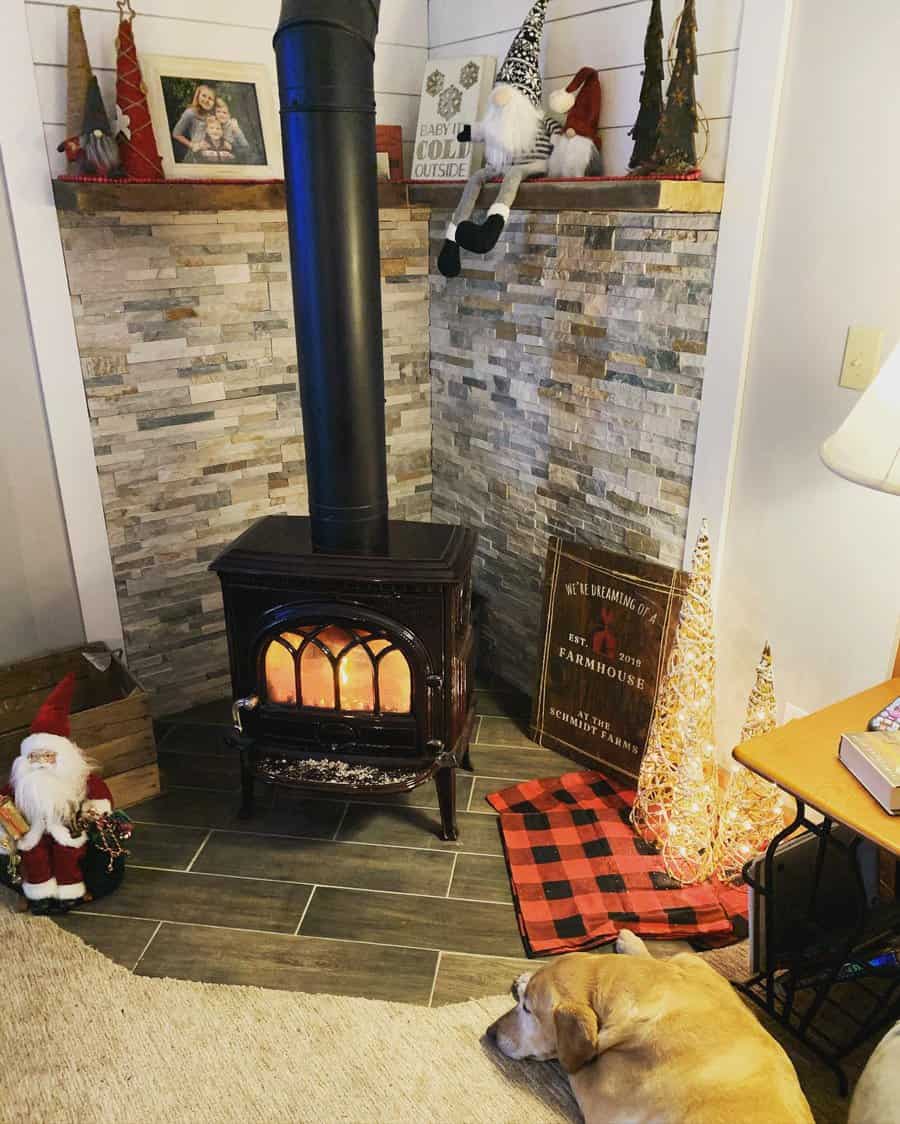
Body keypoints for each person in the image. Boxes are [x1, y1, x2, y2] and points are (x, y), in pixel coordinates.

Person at [171, 83, 216, 161]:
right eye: (204, 96)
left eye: (210, 98)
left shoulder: (212, 115)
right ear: (198, 96)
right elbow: (176, 134)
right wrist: (192, 145)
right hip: (195, 157)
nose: (206, 100)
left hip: (210, 155)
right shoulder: (190, 113)